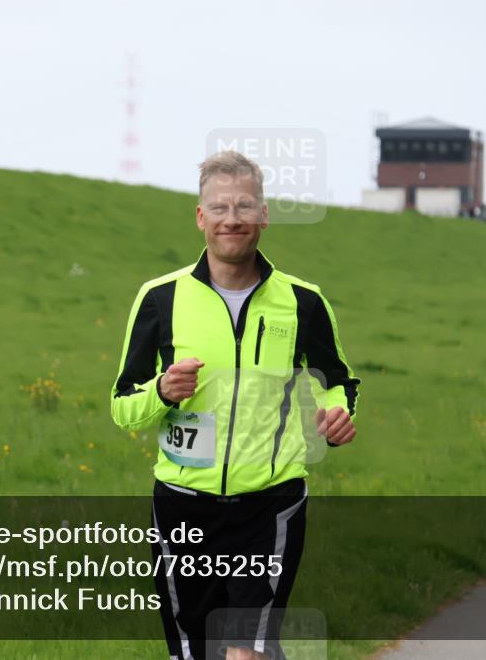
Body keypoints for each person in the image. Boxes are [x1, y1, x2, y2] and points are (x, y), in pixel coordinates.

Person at [110, 150, 360, 660]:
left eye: (244, 206)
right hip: (182, 505)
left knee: (245, 650)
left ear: (263, 216)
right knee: (193, 650)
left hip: (269, 505)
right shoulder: (160, 300)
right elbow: (121, 404)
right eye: (219, 208)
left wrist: (338, 413)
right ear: (201, 217)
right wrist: (160, 393)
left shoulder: (303, 302)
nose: (232, 219)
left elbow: (340, 380)